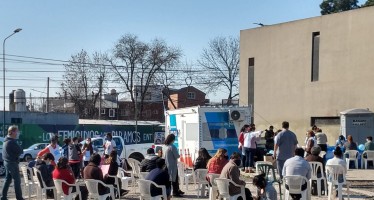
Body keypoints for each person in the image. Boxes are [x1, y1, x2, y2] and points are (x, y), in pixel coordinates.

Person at [1, 125, 24, 200]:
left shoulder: (6, 140)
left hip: (7, 162)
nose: (18, 133)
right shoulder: (11, 142)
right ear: (12, 132)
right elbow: (20, 150)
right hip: (12, 163)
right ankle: (19, 198)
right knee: (17, 181)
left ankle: (3, 197)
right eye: (16, 131)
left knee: (8, 180)